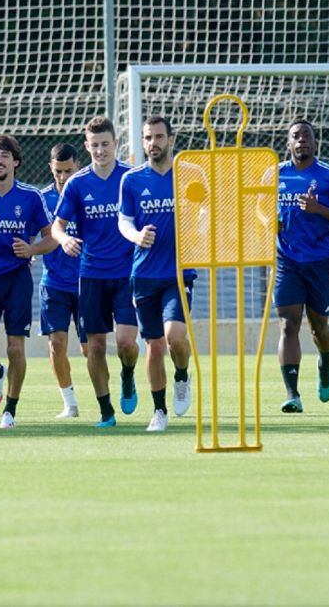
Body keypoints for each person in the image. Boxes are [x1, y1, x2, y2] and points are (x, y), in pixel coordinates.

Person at [52, 116, 139, 428]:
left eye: (105, 144)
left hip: (127, 274)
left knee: (126, 343)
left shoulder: (131, 178)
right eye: (94, 145)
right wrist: (64, 240)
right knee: (95, 346)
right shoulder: (77, 184)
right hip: (91, 275)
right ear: (87, 147)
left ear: (116, 143)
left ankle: (127, 374)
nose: (100, 150)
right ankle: (106, 411)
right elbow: (57, 226)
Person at [0, 135, 56, 429]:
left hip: (17, 279)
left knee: (16, 348)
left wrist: (31, 250)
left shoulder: (30, 197)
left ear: (15, 161)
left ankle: (10, 411)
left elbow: (52, 237)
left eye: (4, 155)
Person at [272, 120, 329, 413]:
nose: (301, 140)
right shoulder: (274, 174)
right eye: (295, 136)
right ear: (288, 143)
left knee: (318, 327)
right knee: (288, 324)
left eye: (306, 136)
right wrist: (268, 222)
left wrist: (319, 209)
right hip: (286, 259)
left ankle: (325, 361)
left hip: (319, 260)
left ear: (314, 142)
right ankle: (292, 394)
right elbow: (257, 209)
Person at [118, 116, 194, 432]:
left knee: (175, 337)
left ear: (171, 139)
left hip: (178, 273)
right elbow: (124, 221)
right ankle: (159, 411)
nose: (153, 143)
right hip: (145, 274)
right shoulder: (132, 180)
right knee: (154, 345)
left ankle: (182, 375)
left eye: (159, 137)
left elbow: (205, 210)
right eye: (148, 137)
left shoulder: (189, 174)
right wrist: (137, 236)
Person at [39, 143, 84, 418]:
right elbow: (30, 231)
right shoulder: (43, 198)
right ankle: (69, 403)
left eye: (68, 171)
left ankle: (108, 395)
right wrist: (30, 251)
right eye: (58, 171)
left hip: (87, 281)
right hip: (54, 282)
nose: (63, 177)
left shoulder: (87, 192)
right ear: (51, 169)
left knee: (90, 348)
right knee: (56, 343)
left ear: (78, 166)